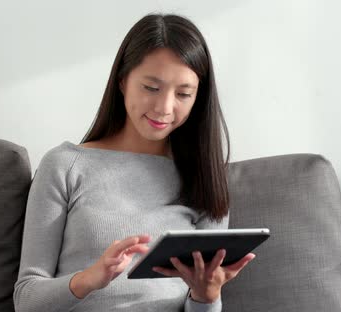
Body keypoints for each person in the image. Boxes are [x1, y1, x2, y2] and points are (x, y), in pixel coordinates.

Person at [13, 13, 256, 312]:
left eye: (183, 94)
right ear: (123, 81)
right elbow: (27, 299)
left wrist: (206, 296)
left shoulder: (204, 176)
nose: (164, 107)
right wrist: (90, 279)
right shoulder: (65, 165)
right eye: (151, 88)